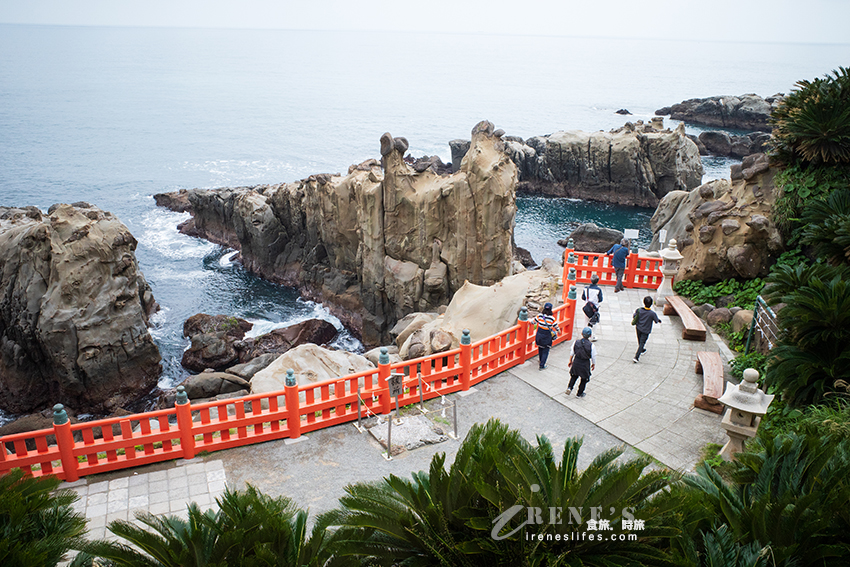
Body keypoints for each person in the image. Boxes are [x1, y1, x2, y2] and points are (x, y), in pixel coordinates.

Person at [566, 327, 596, 397]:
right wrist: (593, 364)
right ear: (590, 336)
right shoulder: (592, 346)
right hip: (585, 363)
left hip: (576, 361)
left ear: (582, 334)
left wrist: (570, 361)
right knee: (584, 379)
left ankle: (569, 387)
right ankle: (579, 393)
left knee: (574, 376)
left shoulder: (576, 342)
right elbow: (593, 356)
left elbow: (572, 352)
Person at [632, 296, 661, 363]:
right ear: (651, 304)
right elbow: (656, 320)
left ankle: (641, 350)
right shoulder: (652, 314)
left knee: (640, 340)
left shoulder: (639, 310)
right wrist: (659, 320)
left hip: (638, 328)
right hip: (646, 330)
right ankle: (636, 357)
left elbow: (634, 316)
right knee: (642, 342)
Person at [533, 302, 560, 370]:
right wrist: (558, 331)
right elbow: (556, 327)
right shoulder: (552, 318)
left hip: (539, 334)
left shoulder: (539, 316)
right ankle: (542, 365)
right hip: (547, 335)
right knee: (546, 350)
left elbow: (533, 322)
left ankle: (540, 360)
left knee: (540, 348)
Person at [581, 274, 603, 341]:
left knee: (586, 321)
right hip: (594, 307)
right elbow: (600, 299)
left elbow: (583, 297)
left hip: (587, 306)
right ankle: (592, 336)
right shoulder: (598, 290)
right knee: (594, 322)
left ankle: (584, 335)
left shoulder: (586, 288)